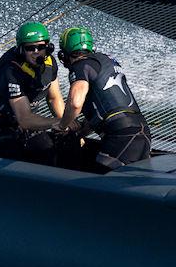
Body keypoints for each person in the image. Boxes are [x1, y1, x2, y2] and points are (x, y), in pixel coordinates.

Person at [55, 27, 151, 172]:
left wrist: (62, 125)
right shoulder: (107, 61)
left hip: (120, 135)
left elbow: (75, 104)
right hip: (142, 131)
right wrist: (80, 133)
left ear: (64, 54)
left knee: (93, 184)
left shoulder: (80, 66)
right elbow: (104, 111)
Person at [0, 22, 65, 165]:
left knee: (49, 151)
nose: (36, 52)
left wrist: (66, 123)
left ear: (48, 47)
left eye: (41, 47)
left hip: (26, 119)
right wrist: (56, 122)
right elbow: (24, 119)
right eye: (30, 48)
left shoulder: (50, 63)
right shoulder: (11, 69)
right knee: (11, 153)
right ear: (21, 49)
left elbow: (54, 98)